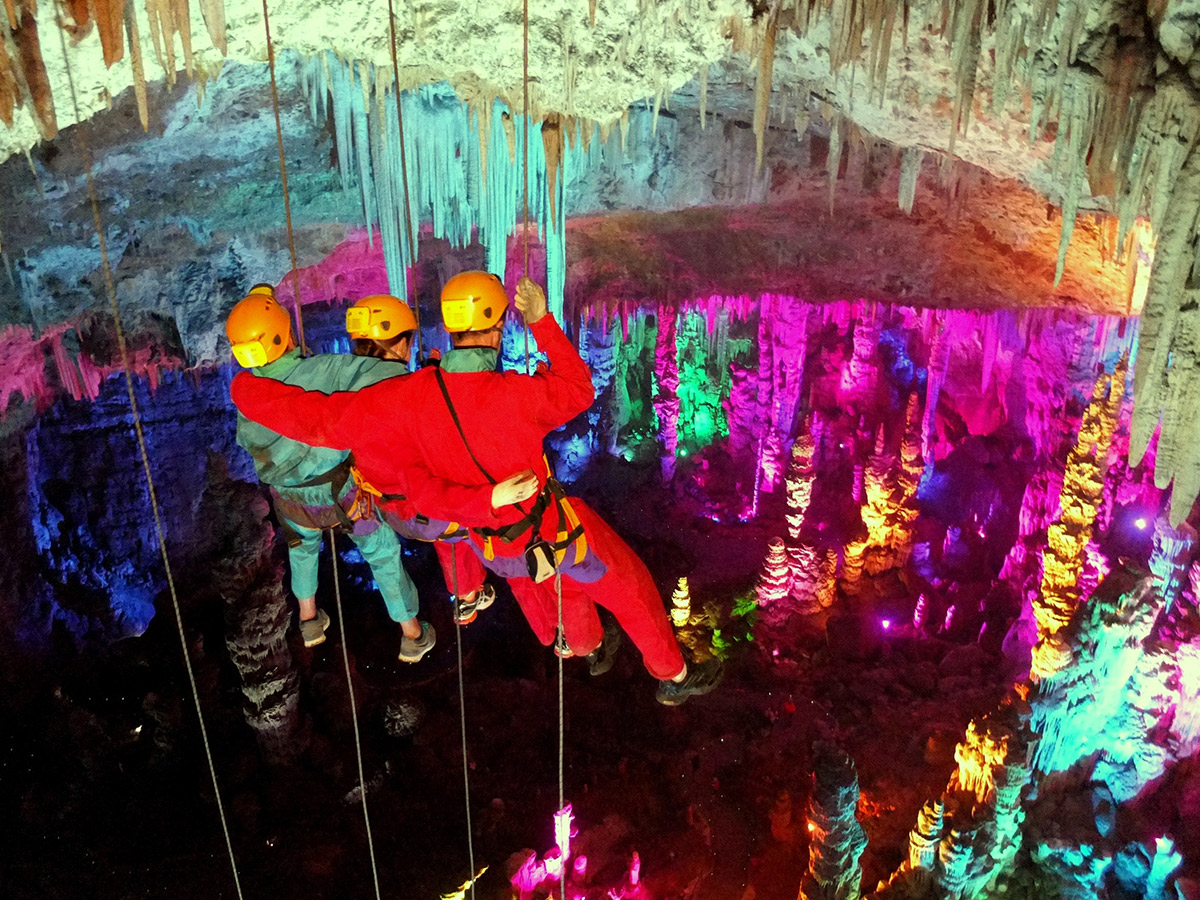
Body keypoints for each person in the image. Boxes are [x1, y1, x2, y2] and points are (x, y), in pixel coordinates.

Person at [232, 273, 723, 705]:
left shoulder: (405, 397)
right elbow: (578, 388)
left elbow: (322, 421)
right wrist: (542, 321)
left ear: (450, 330)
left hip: (491, 543)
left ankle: (587, 647)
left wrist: (246, 388)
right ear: (493, 329)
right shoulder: (515, 394)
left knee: (545, 590)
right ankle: (672, 674)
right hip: (553, 531)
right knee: (626, 584)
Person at [226, 284, 435, 662]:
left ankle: (309, 619)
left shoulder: (248, 396)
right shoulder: (323, 369)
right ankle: (411, 633)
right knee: (381, 553)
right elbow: (380, 372)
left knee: (301, 552)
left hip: (290, 502)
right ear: (286, 334)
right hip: (344, 493)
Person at [343, 293, 500, 626]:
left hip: (390, 510)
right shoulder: (410, 390)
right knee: (460, 527)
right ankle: (469, 593)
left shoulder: (344, 389)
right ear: (400, 346)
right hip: (424, 507)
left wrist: (429, 369)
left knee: (449, 538)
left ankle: (467, 594)